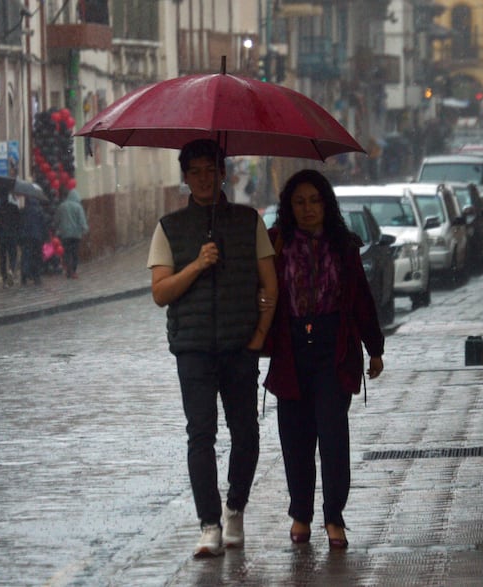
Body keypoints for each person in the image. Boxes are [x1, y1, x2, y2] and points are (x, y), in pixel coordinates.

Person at [147, 139, 278, 557]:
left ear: (223, 173)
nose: (204, 178)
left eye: (211, 170)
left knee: (246, 435)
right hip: (194, 349)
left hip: (240, 347)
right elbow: (161, 292)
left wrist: (258, 337)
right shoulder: (169, 228)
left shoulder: (247, 222)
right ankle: (209, 524)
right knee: (200, 436)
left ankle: (236, 507)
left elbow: (269, 285)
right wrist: (198, 264)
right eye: (196, 171)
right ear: (185, 178)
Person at [262, 169, 384, 550]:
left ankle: (334, 517)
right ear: (289, 207)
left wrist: (374, 347)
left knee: (333, 438)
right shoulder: (275, 244)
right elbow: (259, 293)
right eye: (299, 202)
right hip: (290, 351)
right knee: (295, 439)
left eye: (315, 200)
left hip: (335, 351)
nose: (308, 208)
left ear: (326, 204)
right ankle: (301, 512)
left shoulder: (343, 245)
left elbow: (361, 299)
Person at [0, 187, 21, 288]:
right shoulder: (14, 208)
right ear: (7, 196)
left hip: (1, 236)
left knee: (2, 258)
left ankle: (4, 279)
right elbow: (19, 222)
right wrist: (17, 232)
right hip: (12, 236)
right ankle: (11, 269)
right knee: (13, 255)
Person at [54, 186, 89, 279]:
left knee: (67, 252)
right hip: (76, 235)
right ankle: (73, 270)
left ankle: (68, 270)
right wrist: (84, 229)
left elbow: (57, 220)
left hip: (65, 234)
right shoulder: (78, 207)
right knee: (74, 253)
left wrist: (56, 228)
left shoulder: (62, 206)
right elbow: (82, 220)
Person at [19, 197, 47, 286]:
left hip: (25, 237)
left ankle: (24, 275)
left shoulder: (23, 211)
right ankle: (36, 276)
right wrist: (45, 236)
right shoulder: (39, 210)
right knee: (36, 256)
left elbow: (19, 224)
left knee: (26, 255)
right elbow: (43, 224)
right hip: (37, 237)